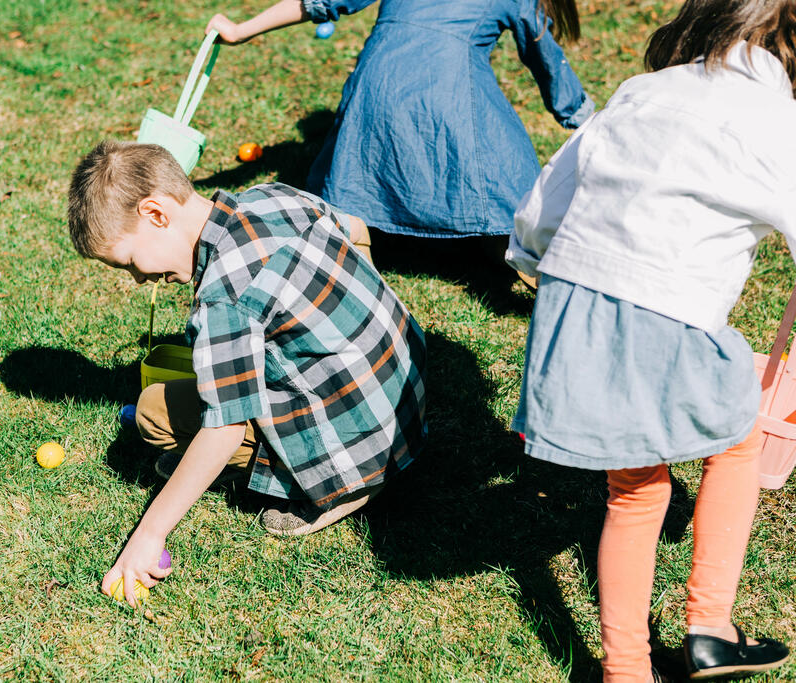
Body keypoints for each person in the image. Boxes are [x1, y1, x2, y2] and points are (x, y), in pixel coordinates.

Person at [505, 0, 796, 679]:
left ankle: (627, 669)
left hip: (572, 304)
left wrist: (534, 260)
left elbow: (540, 212)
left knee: (634, 489)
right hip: (666, 306)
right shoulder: (778, 121)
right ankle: (710, 627)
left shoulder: (643, 91)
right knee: (739, 438)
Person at [67, 140, 426, 606]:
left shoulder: (222, 297)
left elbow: (226, 427)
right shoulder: (271, 196)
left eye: (131, 263)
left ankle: (341, 493)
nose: (138, 279)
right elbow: (357, 229)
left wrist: (147, 536)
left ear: (156, 214)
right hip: (406, 395)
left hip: (363, 446)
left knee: (154, 413)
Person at [205, 0, 593, 242]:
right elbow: (547, 61)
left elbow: (317, 2)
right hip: (449, 96)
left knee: (358, 167)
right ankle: (517, 246)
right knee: (516, 179)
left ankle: (359, 229)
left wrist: (240, 30)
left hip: (375, 90)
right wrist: (583, 117)